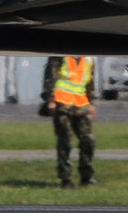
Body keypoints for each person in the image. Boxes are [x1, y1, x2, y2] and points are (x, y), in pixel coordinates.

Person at [41, 55, 96, 187]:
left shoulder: (89, 58)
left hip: (81, 104)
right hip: (62, 103)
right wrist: (50, 99)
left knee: (88, 140)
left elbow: (90, 81)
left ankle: (86, 176)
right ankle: (66, 178)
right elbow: (50, 76)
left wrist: (92, 103)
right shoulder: (60, 55)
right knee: (65, 141)